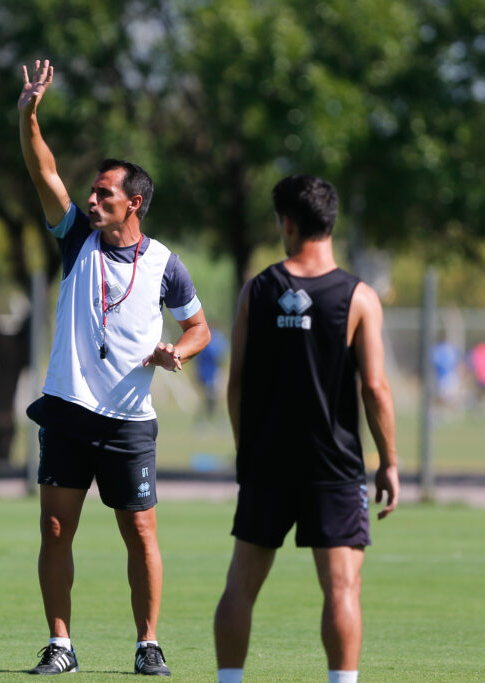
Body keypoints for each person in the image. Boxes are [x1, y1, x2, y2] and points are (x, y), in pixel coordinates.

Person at [18, 59, 210, 676]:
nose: (92, 199)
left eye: (105, 193)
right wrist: (30, 116)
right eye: (92, 192)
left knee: (140, 534)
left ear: (136, 203)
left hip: (129, 421)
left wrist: (177, 352)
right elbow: (42, 169)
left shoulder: (165, 265)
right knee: (55, 529)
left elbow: (200, 327)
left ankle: (147, 643)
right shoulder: (75, 238)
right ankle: (61, 645)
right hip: (68, 409)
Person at [213, 175, 399, 683]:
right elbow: (377, 389)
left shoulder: (258, 289)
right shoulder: (359, 297)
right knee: (342, 588)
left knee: (241, 585)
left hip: (267, 461)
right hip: (334, 466)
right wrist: (390, 462)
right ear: (330, 222)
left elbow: (237, 385)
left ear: (288, 224)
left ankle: (229, 680)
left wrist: (245, 451)